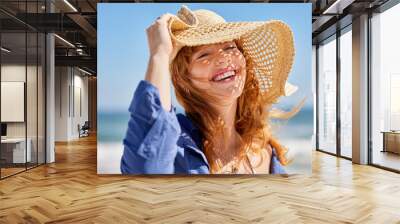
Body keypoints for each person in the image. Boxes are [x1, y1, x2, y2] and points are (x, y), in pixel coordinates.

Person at [120, 5, 298, 174]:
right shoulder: (177, 146)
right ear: (184, 79)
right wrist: (160, 54)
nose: (223, 58)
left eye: (229, 47)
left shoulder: (265, 150)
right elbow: (145, 169)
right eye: (204, 54)